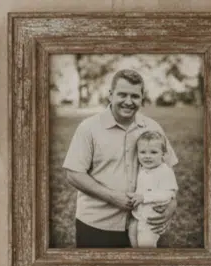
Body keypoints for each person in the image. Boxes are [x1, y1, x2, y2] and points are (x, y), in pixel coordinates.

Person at [62, 69, 179, 248]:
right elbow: (73, 174)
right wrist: (113, 197)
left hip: (145, 224)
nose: (128, 102)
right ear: (110, 95)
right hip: (97, 225)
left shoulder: (152, 127)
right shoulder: (89, 128)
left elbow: (168, 171)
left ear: (142, 98)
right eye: (122, 95)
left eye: (135, 96)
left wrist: (172, 204)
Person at [127, 131, 178, 247]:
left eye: (153, 152)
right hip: (138, 214)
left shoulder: (165, 171)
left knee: (146, 243)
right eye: (142, 152)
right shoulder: (142, 168)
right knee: (132, 234)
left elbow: (168, 194)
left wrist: (144, 197)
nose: (147, 156)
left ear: (163, 154)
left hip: (152, 217)